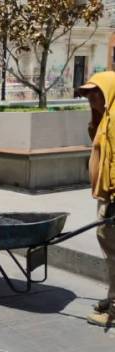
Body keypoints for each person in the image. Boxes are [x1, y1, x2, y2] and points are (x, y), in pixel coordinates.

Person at [77, 71, 115, 327]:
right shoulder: (106, 119)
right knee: (110, 251)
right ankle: (111, 297)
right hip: (106, 196)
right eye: (88, 93)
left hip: (113, 198)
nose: (90, 98)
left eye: (95, 92)